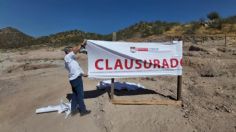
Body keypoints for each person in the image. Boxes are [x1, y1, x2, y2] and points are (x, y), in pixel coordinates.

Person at [62, 40, 91, 116]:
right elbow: (76, 50)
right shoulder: (67, 57)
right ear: (68, 51)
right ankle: (83, 110)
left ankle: (73, 110)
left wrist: (83, 74)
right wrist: (82, 44)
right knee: (80, 95)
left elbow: (75, 69)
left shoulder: (71, 60)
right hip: (76, 79)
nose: (72, 50)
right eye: (71, 49)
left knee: (75, 95)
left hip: (74, 78)